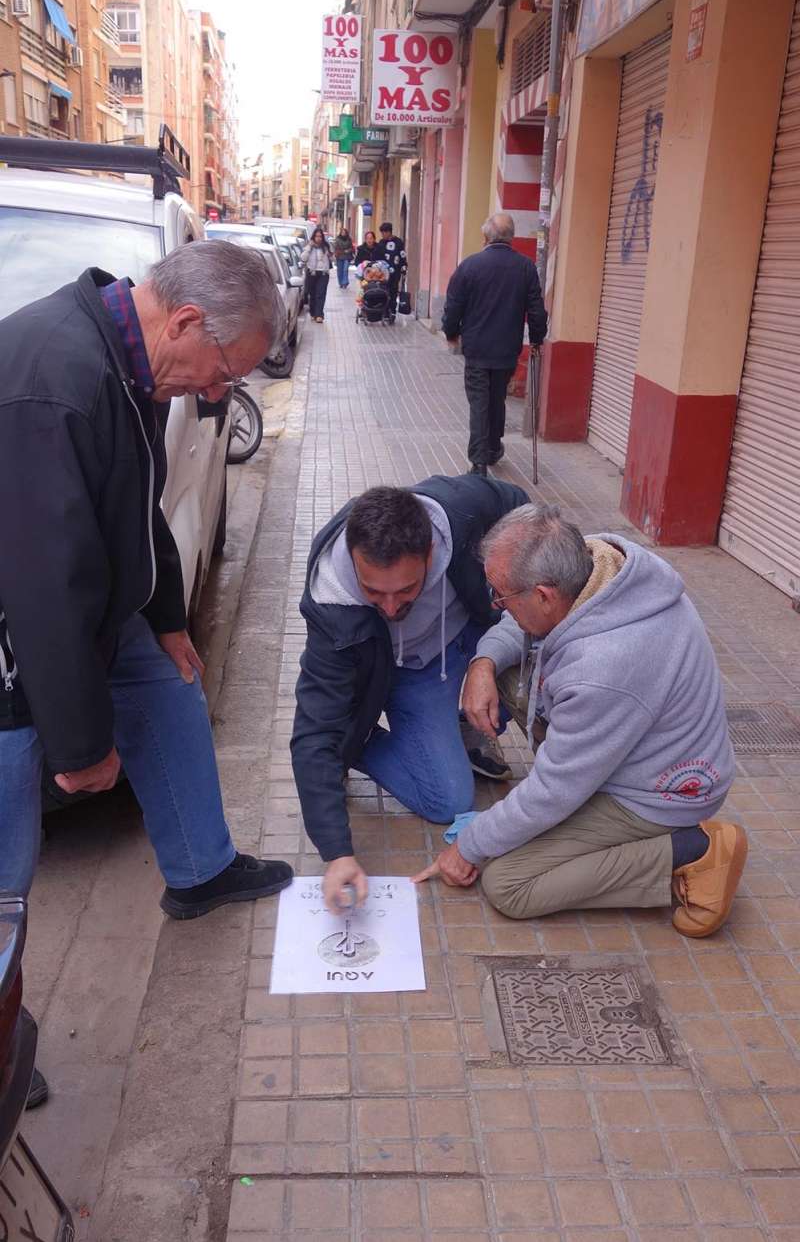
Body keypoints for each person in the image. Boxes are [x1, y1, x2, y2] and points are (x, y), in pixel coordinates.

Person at [0, 241, 294, 922]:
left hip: (82, 600)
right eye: (224, 372)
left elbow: (138, 502)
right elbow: (45, 586)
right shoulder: (57, 385)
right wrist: (81, 744)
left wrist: (166, 617)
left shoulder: (132, 365)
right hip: (18, 635)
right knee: (8, 856)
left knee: (170, 681)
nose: (217, 394)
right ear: (186, 321)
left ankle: (201, 870)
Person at [414, 505, 745, 940]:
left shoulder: (602, 668)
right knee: (508, 672)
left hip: (657, 795)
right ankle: (570, 769)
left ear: (544, 596)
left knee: (509, 883)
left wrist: (469, 847)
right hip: (633, 744)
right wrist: (483, 662)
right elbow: (519, 625)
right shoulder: (594, 564)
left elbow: (554, 792)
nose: (496, 605)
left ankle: (692, 851)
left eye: (501, 596)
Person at [291, 476, 528, 912]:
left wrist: (486, 660)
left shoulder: (461, 511)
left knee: (536, 652)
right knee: (448, 800)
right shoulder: (331, 605)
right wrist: (338, 853)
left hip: (464, 640)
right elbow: (313, 731)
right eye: (373, 591)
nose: (389, 607)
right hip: (405, 673)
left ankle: (463, 731)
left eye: (405, 590)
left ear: (431, 553)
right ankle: (359, 743)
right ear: (354, 558)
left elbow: (522, 509)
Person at [442, 212, 547, 477]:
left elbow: (454, 305)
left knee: (479, 402)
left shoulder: (470, 266)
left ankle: (479, 461)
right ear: (511, 237)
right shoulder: (525, 267)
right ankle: (492, 447)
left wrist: (451, 332)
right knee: (497, 398)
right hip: (507, 348)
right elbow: (536, 310)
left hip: (477, 348)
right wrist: (537, 339)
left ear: (486, 236)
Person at [376, 221, 407, 323]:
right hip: (383, 273)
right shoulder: (381, 243)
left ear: (389, 232)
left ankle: (392, 312)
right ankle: (385, 312)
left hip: (395, 272)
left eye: (384, 232)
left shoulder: (398, 242)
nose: (382, 235)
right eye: (382, 233)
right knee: (384, 291)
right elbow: (377, 256)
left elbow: (402, 255)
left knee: (393, 292)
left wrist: (404, 267)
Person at [301, 227, 332, 322]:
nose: (318, 238)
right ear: (313, 237)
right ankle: (313, 312)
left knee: (321, 293)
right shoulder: (309, 246)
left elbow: (333, 258)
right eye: (316, 236)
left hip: (323, 273)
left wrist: (330, 254)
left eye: (320, 236)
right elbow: (303, 258)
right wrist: (309, 247)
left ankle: (319, 315)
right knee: (313, 294)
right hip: (312, 273)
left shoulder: (325, 247)